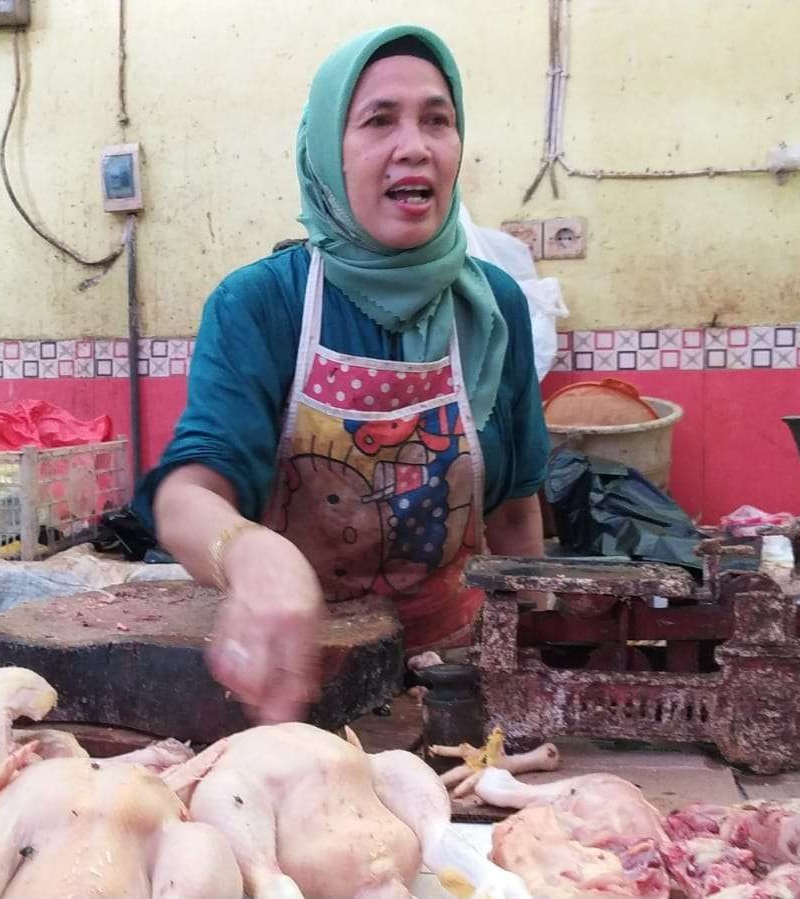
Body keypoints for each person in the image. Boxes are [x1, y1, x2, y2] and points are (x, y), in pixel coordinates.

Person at [134, 25, 550, 724]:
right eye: (379, 120)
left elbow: (514, 510)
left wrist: (536, 658)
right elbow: (184, 498)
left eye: (437, 119)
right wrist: (248, 552)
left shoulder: (494, 306)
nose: (414, 144)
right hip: (296, 683)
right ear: (329, 150)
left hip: (456, 675)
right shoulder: (264, 304)